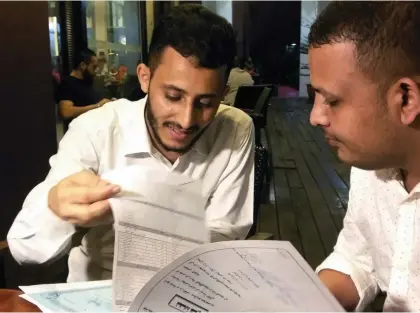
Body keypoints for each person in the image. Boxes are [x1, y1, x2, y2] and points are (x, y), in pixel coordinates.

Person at [7, 4, 254, 282]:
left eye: (206, 103)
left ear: (224, 93)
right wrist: (56, 206)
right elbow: (23, 248)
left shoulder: (234, 129)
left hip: (189, 288)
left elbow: (226, 231)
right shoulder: (96, 129)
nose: (186, 120)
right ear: (145, 77)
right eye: (173, 96)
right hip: (99, 294)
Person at [308, 2, 420, 311]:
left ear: (405, 99)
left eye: (333, 100)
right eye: (316, 96)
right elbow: (357, 258)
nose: (316, 117)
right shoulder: (372, 161)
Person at [57, 49, 112, 129]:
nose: (96, 70)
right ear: (83, 65)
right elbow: (65, 112)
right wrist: (99, 105)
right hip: (80, 133)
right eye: (94, 67)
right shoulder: (68, 83)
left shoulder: (87, 82)